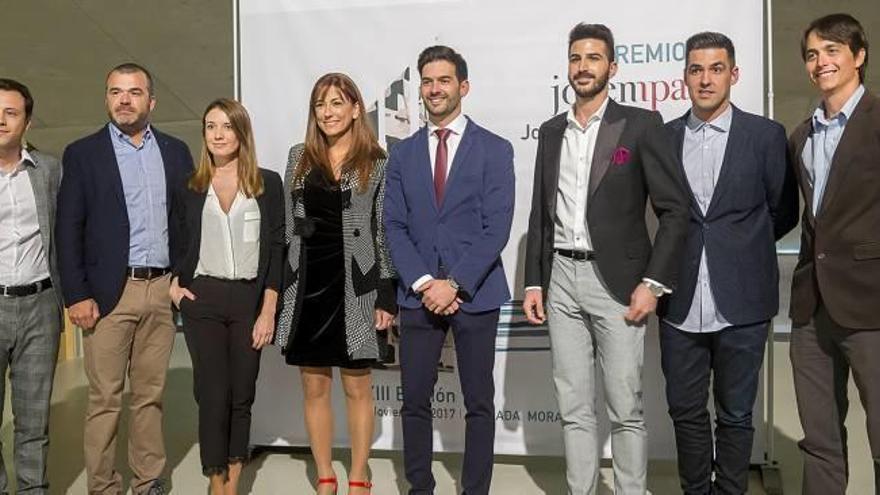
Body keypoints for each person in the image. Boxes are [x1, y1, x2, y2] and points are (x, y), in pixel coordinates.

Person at [522, 23, 689, 495]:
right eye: (576, 58)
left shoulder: (640, 125)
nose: (583, 67)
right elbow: (541, 212)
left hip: (618, 283)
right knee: (573, 407)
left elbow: (674, 211)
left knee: (626, 408)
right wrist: (535, 282)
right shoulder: (552, 130)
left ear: (612, 67)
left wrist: (652, 283)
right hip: (560, 281)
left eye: (593, 58)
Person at [657, 32, 799, 495]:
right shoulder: (664, 139)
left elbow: (782, 211)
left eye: (716, 69)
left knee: (737, 412)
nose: (705, 79)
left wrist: (740, 247)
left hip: (743, 298)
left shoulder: (765, 136)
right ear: (684, 78)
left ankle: (730, 491)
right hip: (679, 300)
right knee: (685, 409)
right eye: (696, 69)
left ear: (733, 74)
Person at [56, 63, 193, 495]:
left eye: (134, 92)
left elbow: (185, 222)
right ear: (106, 98)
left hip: (160, 290)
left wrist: (179, 279)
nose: (124, 100)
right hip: (108, 294)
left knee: (150, 396)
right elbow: (68, 228)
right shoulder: (83, 154)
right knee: (105, 400)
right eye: (115, 92)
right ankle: (103, 485)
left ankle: (148, 480)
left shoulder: (174, 151)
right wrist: (77, 295)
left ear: (150, 101)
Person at [384, 45, 515, 495]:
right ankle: (420, 487)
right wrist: (424, 283)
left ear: (463, 86)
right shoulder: (401, 155)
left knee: (479, 402)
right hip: (417, 294)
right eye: (427, 81)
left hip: (475, 293)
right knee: (415, 401)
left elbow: (497, 227)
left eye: (443, 80)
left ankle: (474, 489)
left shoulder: (495, 150)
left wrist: (454, 283)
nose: (434, 89)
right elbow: (393, 225)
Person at [275, 73, 397, 495]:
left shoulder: (377, 161)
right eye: (320, 105)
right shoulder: (298, 157)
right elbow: (289, 226)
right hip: (307, 281)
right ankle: (326, 473)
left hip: (355, 285)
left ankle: (360, 472)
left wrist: (386, 292)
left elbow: (382, 230)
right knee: (313, 384)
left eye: (336, 103)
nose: (327, 113)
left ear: (355, 109)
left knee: (357, 385)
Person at [169, 98, 283, 495]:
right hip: (203, 299)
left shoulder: (267, 184)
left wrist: (269, 310)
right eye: (211, 126)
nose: (218, 134)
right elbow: (177, 240)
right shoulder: (190, 186)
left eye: (227, 126)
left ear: (241, 133)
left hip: (250, 299)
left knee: (242, 392)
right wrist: (173, 285)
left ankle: (234, 478)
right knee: (212, 394)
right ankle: (217, 482)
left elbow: (276, 248)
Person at [788, 13, 880, 495]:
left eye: (831, 50)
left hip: (871, 305)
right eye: (812, 53)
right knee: (820, 441)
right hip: (810, 308)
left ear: (859, 56)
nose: (820, 61)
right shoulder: (802, 136)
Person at [0, 78, 63, 494]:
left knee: (33, 421)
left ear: (27, 121)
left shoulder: (50, 170)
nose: (1, 121)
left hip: (39, 304)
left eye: (10, 112)